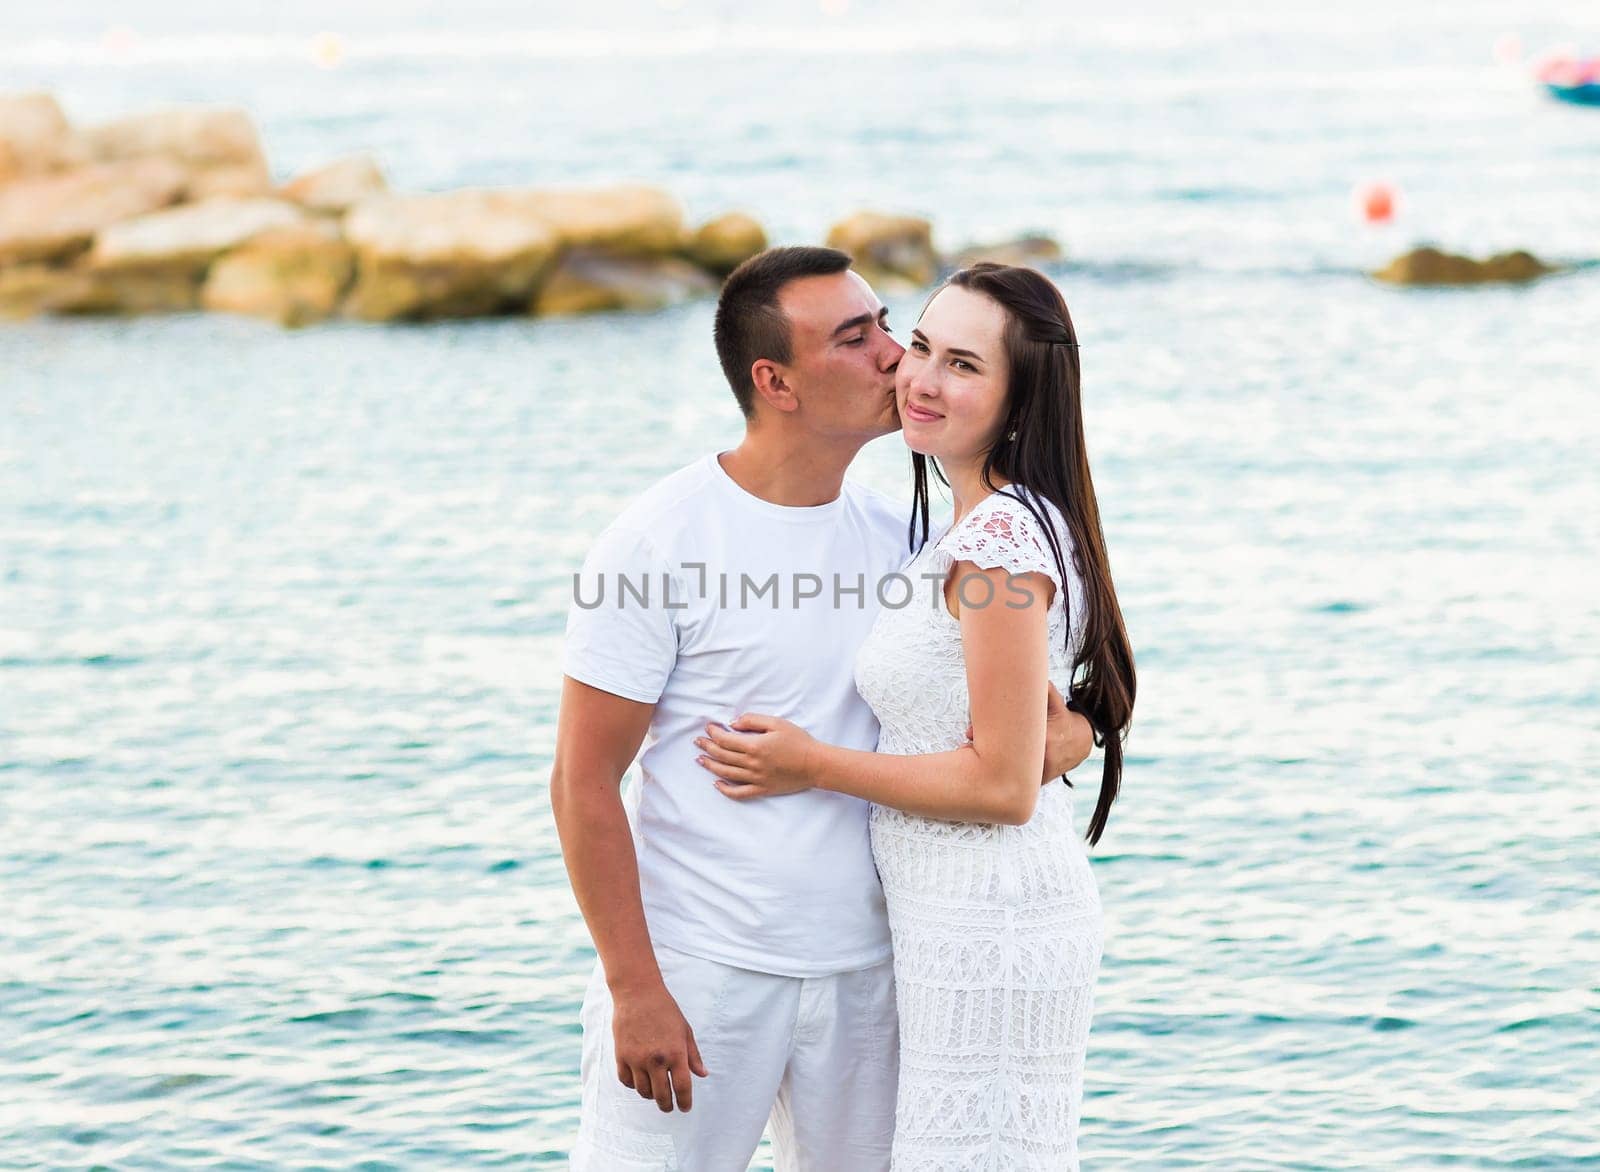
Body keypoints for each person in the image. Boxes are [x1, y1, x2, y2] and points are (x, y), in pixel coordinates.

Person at [550, 247, 1096, 1170]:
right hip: (703, 967)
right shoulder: (657, 539)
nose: (897, 358)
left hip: (877, 973)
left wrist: (1068, 736)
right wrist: (634, 987)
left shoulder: (913, 542)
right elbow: (581, 781)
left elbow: (1021, 713)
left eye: (890, 325)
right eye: (860, 338)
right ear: (776, 381)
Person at [695, 263, 1137, 1170]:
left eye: (965, 365)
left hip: (995, 913)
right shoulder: (986, 525)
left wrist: (810, 763)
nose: (922, 379)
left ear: (1020, 398)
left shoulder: (999, 541)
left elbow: (1003, 786)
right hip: (948, 911)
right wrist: (1073, 733)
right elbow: (1035, 727)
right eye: (923, 345)